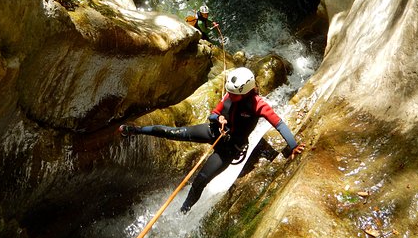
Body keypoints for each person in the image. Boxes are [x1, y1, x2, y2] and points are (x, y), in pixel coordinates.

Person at [119, 67, 305, 214]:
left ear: (247, 91)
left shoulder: (259, 105)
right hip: (214, 132)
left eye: (234, 95)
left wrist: (293, 145)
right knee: (173, 133)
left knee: (200, 180)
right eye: (229, 93)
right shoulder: (229, 95)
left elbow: (279, 124)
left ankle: (183, 211)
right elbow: (213, 114)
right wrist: (219, 119)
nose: (230, 96)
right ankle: (136, 130)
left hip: (229, 149)